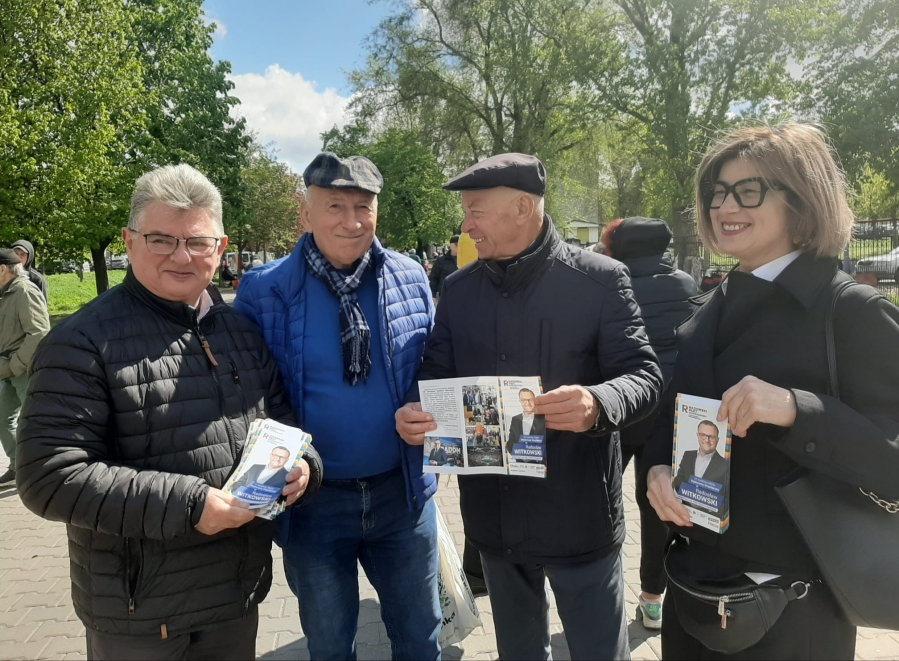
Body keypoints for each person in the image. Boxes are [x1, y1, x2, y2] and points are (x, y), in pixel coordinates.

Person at [15, 164, 323, 661]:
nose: (182, 256)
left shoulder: (239, 332)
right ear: (129, 241)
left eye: (198, 242)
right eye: (161, 240)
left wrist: (304, 468)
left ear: (220, 249)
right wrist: (191, 505)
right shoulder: (81, 342)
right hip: (140, 615)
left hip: (234, 598)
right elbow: (48, 476)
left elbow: (282, 423)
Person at [643, 123, 899, 661]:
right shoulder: (709, 307)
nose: (724, 206)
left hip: (794, 607)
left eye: (748, 190)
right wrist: (658, 471)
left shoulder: (851, 311)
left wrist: (797, 410)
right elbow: (675, 419)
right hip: (697, 593)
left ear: (801, 202)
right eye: (717, 192)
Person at [396, 153, 662, 661]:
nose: (466, 226)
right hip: (494, 516)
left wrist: (598, 402)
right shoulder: (458, 290)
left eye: (475, 211)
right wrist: (416, 411)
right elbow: (435, 374)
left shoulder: (600, 280)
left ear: (523, 208)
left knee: (599, 652)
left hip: (578, 512)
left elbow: (645, 377)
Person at [233, 152, 441, 661]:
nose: (352, 221)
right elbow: (246, 393)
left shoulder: (410, 276)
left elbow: (434, 363)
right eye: (335, 206)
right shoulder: (264, 289)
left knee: (421, 638)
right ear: (305, 214)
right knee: (329, 646)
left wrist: (422, 405)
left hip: (402, 496)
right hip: (312, 506)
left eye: (363, 207)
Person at [600, 215, 696, 628]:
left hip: (622, 407)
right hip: (671, 411)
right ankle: (653, 598)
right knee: (658, 504)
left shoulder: (608, 284)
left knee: (600, 498)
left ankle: (597, 595)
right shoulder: (686, 285)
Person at [0, 249, 50, 487]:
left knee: (35, 422)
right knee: (3, 419)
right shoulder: (5, 293)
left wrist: (14, 365)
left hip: (24, 370)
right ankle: (17, 466)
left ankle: (47, 471)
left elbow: (39, 333)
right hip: (7, 371)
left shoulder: (24, 291)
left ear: (2, 269)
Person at [672, 420, 728, 492]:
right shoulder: (687, 456)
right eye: (703, 435)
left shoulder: (724, 464)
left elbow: (724, 492)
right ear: (698, 436)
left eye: (711, 437)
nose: (707, 440)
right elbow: (679, 480)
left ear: (717, 440)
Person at [504, 388, 547, 454]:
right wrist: (520, 455)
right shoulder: (515, 419)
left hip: (541, 459)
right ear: (520, 401)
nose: (527, 403)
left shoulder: (544, 418)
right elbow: (511, 443)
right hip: (520, 459)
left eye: (530, 399)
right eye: (524, 400)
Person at [429, 235, 459, 300]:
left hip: (460, 296)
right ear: (451, 246)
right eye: (457, 244)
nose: (460, 247)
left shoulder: (466, 260)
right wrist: (433, 296)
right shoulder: (441, 260)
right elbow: (434, 279)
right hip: (443, 296)